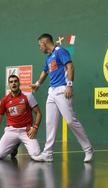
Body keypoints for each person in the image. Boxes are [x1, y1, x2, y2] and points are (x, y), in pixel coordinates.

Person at [31, 33, 94, 162]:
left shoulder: (61, 51)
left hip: (62, 90)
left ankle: (88, 149)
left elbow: (70, 66)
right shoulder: (49, 58)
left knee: (71, 121)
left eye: (39, 45)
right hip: (52, 92)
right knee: (50, 123)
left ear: (44, 43)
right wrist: (37, 83)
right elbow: (45, 71)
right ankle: (47, 154)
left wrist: (69, 85)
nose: (39, 48)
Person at [0, 74, 41, 160]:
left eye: (15, 81)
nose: (13, 83)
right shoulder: (4, 100)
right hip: (11, 131)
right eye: (11, 82)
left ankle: (16, 143)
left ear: (19, 83)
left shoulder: (28, 96)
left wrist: (35, 128)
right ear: (9, 85)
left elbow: (39, 113)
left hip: (26, 130)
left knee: (36, 154)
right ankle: (14, 146)